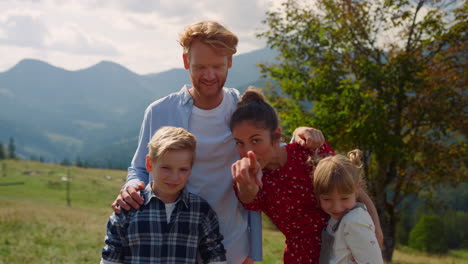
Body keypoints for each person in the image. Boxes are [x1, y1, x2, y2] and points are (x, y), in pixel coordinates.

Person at [111, 20, 324, 263]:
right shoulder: (159, 111)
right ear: (185, 62)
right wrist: (132, 186)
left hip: (232, 245)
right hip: (173, 244)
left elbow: (268, 151)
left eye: (217, 66)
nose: (209, 75)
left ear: (230, 63)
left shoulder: (242, 110)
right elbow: (139, 167)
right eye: (200, 67)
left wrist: (300, 133)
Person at [230, 87, 382, 263]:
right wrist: (245, 184)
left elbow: (350, 188)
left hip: (343, 250)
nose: (248, 151)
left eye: (256, 140)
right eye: (239, 143)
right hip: (300, 258)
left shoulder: (308, 151)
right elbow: (247, 197)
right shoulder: (250, 178)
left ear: (276, 136)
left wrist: (376, 229)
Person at [101, 126, 227, 264]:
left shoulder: (201, 212)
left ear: (191, 169)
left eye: (183, 169)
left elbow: (215, 258)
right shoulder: (128, 208)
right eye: (166, 168)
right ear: (149, 164)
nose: (174, 177)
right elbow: (111, 259)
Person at [313, 149, 384, 264]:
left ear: (357, 189)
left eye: (344, 198)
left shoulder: (355, 221)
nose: (336, 207)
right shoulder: (338, 218)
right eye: (327, 199)